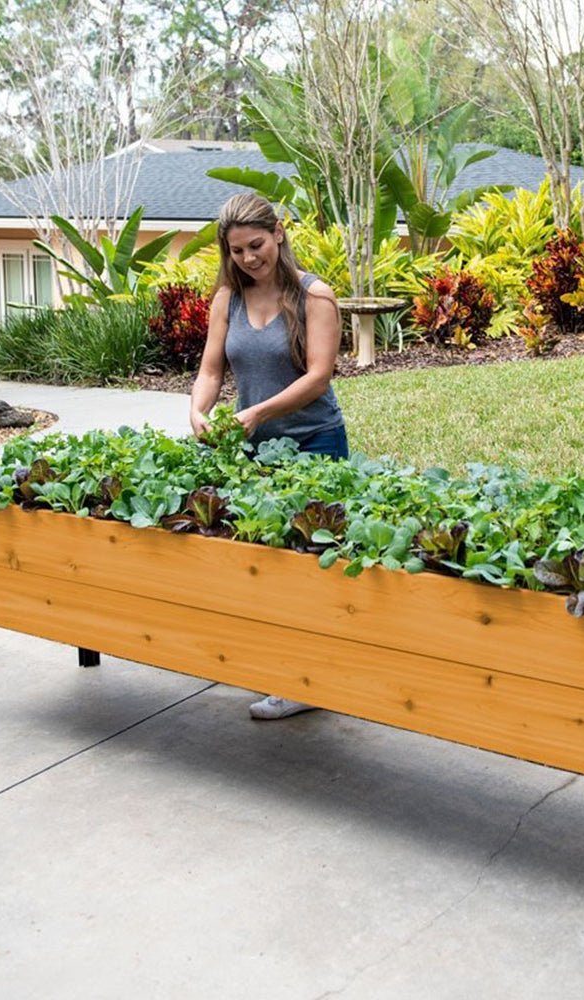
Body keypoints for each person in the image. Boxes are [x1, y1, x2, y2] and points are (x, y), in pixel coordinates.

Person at [190, 192, 349, 721]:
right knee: (261, 564)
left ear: (278, 233)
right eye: (236, 251)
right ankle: (285, 670)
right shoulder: (227, 300)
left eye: (256, 245)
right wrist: (199, 410)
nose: (248, 258)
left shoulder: (314, 296)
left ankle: (308, 681)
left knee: (306, 568)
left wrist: (255, 413)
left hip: (313, 443)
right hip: (252, 451)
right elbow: (213, 370)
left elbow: (318, 376)